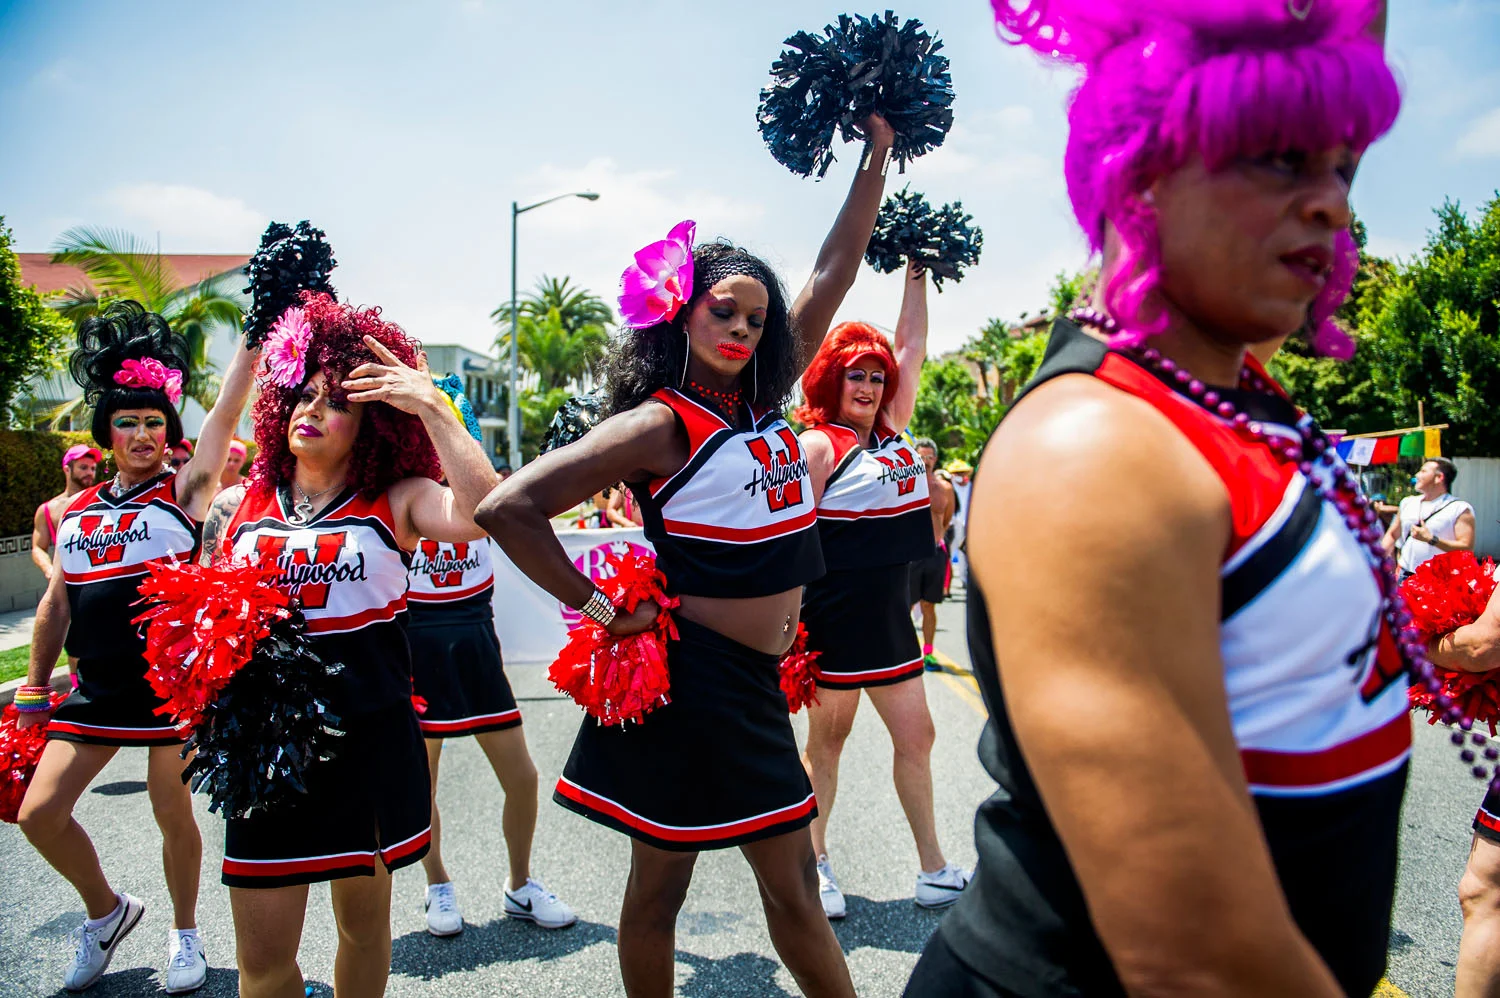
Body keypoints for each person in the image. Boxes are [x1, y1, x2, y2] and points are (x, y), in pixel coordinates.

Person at [906, 2, 1410, 995]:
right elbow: (1198, 959)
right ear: (1143, 164)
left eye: (1342, 168)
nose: (1332, 205)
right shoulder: (1095, 448)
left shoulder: (1221, 384)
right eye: (1277, 157)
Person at [477, 114, 895, 998]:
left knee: (727, 892)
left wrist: (876, 155)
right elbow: (509, 507)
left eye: (755, 316)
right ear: (682, 314)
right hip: (696, 680)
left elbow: (833, 269)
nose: (742, 328)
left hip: (751, 683)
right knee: (734, 895)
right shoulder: (662, 423)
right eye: (723, 311)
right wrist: (600, 610)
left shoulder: (763, 403)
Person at [196, 293, 496, 998]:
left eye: (336, 402)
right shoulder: (236, 505)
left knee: (364, 930)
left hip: (368, 741)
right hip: (265, 758)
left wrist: (432, 405)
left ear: (371, 426)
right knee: (263, 964)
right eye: (302, 395)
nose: (312, 410)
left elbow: (487, 513)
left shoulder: (400, 498)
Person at [17, 300, 257, 994]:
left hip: (169, 690)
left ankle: (186, 934)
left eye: (156, 422)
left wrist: (251, 345)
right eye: (128, 422)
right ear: (106, 435)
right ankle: (108, 912)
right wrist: (35, 686)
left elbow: (223, 420)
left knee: (170, 810)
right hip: (96, 689)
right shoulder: (76, 516)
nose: (144, 433)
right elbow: (56, 603)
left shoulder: (182, 493)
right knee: (39, 813)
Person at [795, 261, 971, 921]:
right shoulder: (816, 444)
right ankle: (815, 863)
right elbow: (791, 543)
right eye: (854, 374)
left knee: (917, 736)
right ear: (830, 380)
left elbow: (912, 347)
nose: (868, 385)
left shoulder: (894, 433)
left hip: (891, 618)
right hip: (834, 619)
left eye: (875, 376)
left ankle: (932, 867)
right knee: (827, 747)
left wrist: (917, 273)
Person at [407, 450, 575, 937]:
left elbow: (536, 508)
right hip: (417, 644)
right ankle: (437, 882)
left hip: (476, 641)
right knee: (424, 784)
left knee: (522, 777)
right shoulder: (403, 496)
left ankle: (519, 884)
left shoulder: (482, 492)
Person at [1382, 457, 1475, 578]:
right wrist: (1378, 560)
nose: (1417, 475)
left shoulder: (1459, 508)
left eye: (1423, 471)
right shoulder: (1407, 503)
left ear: (1439, 477)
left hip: (1439, 579)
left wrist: (1431, 539)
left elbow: (1466, 548)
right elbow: (1393, 535)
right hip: (1405, 575)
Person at [908, 438, 953, 669]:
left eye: (929, 457)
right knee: (903, 604)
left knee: (929, 605)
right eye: (921, 456)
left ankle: (928, 652)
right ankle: (905, 653)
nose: (925, 461)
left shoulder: (944, 488)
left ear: (935, 459)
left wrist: (937, 538)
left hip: (935, 553)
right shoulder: (907, 484)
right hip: (911, 554)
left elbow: (947, 520)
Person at [944, 458, 973, 591]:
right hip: (953, 523)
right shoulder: (950, 487)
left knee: (964, 553)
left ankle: (964, 578)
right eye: (958, 473)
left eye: (963, 473)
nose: (960, 476)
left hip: (969, 524)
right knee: (948, 553)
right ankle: (946, 583)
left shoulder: (973, 486)